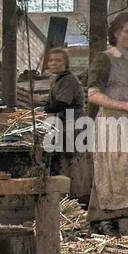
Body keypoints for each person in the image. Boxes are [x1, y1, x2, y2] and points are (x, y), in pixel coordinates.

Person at [86, 11, 128, 229]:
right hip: (112, 123)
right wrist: (125, 106)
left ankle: (123, 232)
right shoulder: (105, 59)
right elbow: (93, 94)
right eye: (127, 31)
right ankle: (107, 225)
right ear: (116, 33)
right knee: (116, 176)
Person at [40, 46, 89, 197]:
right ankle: (67, 195)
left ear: (66, 63)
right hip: (63, 125)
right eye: (51, 60)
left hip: (73, 126)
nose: (54, 63)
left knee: (72, 162)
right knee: (64, 160)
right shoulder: (58, 80)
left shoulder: (68, 80)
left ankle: (76, 197)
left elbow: (60, 104)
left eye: (59, 60)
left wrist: (44, 108)